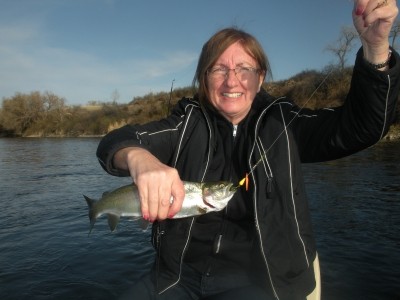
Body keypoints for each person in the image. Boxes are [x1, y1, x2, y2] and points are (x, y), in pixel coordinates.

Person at [96, 1, 400, 299]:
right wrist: (139, 159)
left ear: (261, 77)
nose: (232, 81)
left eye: (244, 68)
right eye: (218, 69)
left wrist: (375, 49)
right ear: (204, 78)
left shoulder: (285, 123)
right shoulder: (185, 122)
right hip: (175, 277)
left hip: (261, 279)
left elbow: (362, 128)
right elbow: (117, 141)